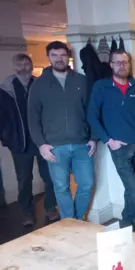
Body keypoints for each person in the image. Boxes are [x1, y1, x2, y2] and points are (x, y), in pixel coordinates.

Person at [28, 41, 96, 220]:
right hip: (54, 147)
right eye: (54, 55)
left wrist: (94, 138)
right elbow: (33, 118)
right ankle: (69, 222)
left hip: (82, 144)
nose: (59, 59)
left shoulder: (82, 81)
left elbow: (92, 111)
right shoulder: (39, 85)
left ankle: (76, 220)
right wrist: (41, 145)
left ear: (69, 56)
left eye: (63, 55)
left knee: (87, 184)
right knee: (61, 187)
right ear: (48, 57)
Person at [88, 50, 135, 233]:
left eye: (125, 62)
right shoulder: (101, 87)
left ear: (129, 64)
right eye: (117, 62)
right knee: (132, 187)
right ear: (111, 64)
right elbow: (92, 116)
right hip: (119, 148)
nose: (121, 65)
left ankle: (126, 220)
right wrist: (108, 140)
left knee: (133, 188)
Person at [1, 53, 58, 225]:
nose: (23, 68)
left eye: (26, 64)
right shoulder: (5, 90)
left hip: (42, 141)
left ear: (31, 66)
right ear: (14, 67)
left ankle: (50, 207)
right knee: (24, 180)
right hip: (20, 143)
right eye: (19, 65)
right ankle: (27, 212)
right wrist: (6, 138)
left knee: (50, 177)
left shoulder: (39, 84)